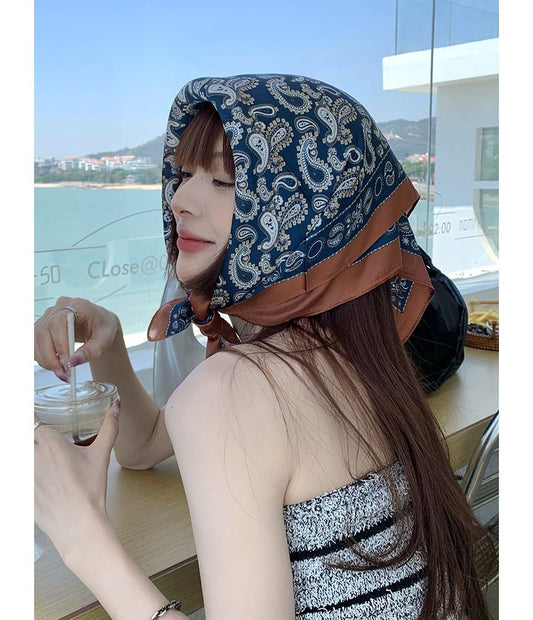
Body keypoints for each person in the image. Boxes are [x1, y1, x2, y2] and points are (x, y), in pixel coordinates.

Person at [34, 74, 496, 619]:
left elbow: (207, 418)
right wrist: (111, 344)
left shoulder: (236, 389)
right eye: (183, 175)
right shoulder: (355, 352)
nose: (179, 200)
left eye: (225, 181)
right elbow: (144, 446)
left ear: (303, 214)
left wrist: (82, 538)